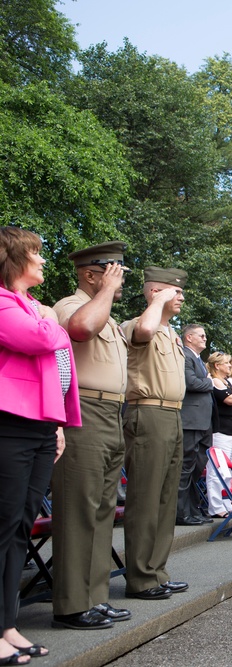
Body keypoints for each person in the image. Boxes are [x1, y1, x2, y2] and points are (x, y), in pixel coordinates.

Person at [0, 226, 80, 660]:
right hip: (9, 425)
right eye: (36, 253)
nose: (44, 261)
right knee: (4, 524)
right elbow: (40, 339)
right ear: (15, 259)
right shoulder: (5, 304)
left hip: (39, 426)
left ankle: (7, 625)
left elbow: (57, 358)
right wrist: (51, 323)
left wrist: (57, 424)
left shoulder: (31, 306)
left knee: (18, 529)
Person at [51, 241, 132, 631]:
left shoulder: (110, 318)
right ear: (90, 274)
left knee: (102, 512)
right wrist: (102, 294)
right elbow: (81, 329)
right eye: (113, 272)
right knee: (78, 510)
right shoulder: (71, 305)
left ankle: (95, 597)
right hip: (82, 410)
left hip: (111, 413)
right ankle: (70, 602)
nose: (120, 280)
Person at [121, 267, 190, 601]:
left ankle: (156, 571)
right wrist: (157, 300)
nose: (180, 297)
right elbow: (145, 329)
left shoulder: (171, 333)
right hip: (147, 411)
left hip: (173, 414)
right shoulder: (140, 324)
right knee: (146, 499)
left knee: (165, 500)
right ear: (154, 292)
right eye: (173, 292)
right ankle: (141, 577)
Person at [177, 323, 215, 526]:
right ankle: (181, 513)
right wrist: (211, 382)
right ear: (189, 337)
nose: (205, 338)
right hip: (190, 421)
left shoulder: (197, 359)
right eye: (201, 335)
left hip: (202, 422)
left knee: (195, 469)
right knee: (185, 468)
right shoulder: (185, 355)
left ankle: (193, 510)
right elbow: (190, 382)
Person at [206, 352, 232, 518]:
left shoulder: (227, 382)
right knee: (217, 470)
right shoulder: (215, 381)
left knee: (228, 471)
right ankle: (215, 506)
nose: (230, 365)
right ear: (217, 366)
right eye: (226, 363)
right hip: (221, 432)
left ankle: (227, 502)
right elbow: (230, 401)